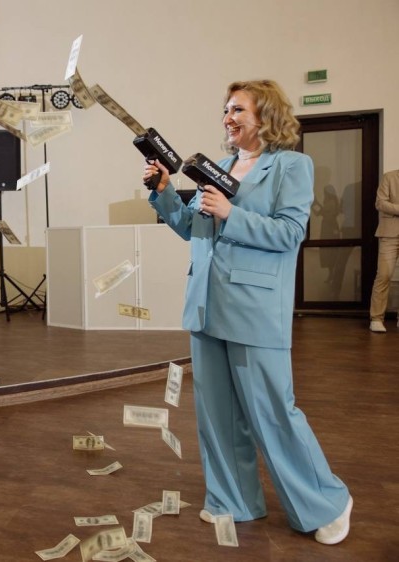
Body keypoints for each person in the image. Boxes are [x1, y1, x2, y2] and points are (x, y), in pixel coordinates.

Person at [144, 79, 352, 545]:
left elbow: (289, 233)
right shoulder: (219, 167)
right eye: (226, 109)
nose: (228, 117)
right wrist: (164, 191)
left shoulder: (291, 166)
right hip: (206, 304)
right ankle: (232, 500)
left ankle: (327, 503)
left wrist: (231, 214)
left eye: (238, 109)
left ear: (266, 116)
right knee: (216, 414)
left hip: (255, 307)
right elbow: (193, 228)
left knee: (272, 412)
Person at [368, 169, 399, 332]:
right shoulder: (389, 177)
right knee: (384, 275)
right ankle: (376, 318)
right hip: (389, 234)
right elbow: (380, 203)